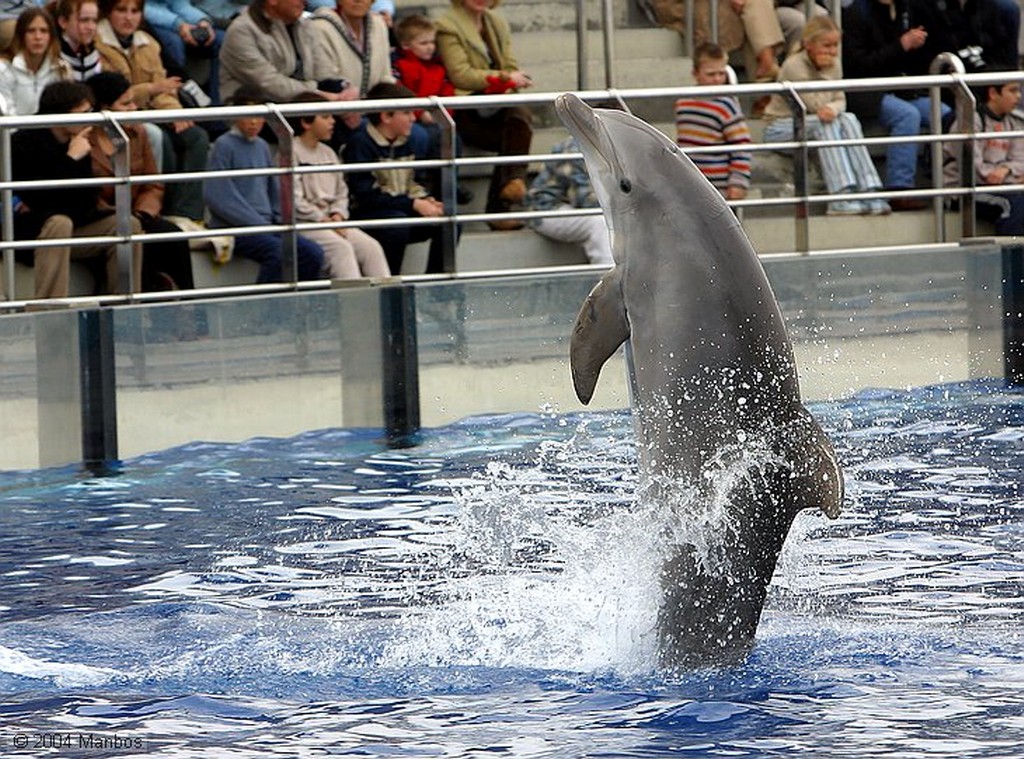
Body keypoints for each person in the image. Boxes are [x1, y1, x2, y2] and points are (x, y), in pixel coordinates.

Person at [11, 80, 142, 298]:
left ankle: (126, 311)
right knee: (59, 222)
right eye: (84, 112)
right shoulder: (24, 142)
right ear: (61, 115)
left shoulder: (79, 140)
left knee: (128, 224)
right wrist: (70, 160)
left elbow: (86, 200)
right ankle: (50, 314)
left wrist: (73, 162)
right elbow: (39, 200)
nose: (90, 118)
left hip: (74, 224)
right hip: (33, 232)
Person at [762, 16, 891, 215]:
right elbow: (813, 105)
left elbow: (841, 99)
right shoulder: (794, 65)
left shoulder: (835, 63)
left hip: (814, 120)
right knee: (826, 124)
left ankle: (869, 189)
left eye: (835, 45)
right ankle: (839, 196)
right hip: (781, 126)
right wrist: (826, 79)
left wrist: (833, 108)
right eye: (826, 45)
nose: (832, 51)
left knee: (849, 119)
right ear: (808, 44)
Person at [95, 0, 209, 221]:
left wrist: (174, 113)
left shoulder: (150, 43)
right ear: (109, 13)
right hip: (121, 114)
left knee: (196, 136)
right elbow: (113, 94)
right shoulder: (98, 44)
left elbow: (165, 89)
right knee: (156, 136)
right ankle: (161, 209)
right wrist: (151, 89)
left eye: (135, 11)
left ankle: (187, 214)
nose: (129, 17)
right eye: (121, 10)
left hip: (151, 111)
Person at [87, 71, 195, 290]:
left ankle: (188, 308)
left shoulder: (138, 133)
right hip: (102, 218)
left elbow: (152, 184)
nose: (133, 109)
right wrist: (125, 219)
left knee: (172, 235)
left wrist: (142, 215)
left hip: (138, 213)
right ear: (104, 109)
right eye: (125, 104)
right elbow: (88, 194)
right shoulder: (84, 140)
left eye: (134, 103)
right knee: (136, 244)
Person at [204, 90, 325, 283]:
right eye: (248, 115)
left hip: (267, 225)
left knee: (313, 253)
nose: (254, 122)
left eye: (259, 116)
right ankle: (264, 307)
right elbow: (219, 196)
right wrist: (258, 224)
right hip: (236, 228)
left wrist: (281, 220)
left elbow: (274, 189)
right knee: (276, 252)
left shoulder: (261, 146)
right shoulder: (224, 145)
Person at [436, 0, 533, 230]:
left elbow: (510, 63)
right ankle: (504, 198)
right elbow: (460, 75)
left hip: (496, 104)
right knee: (517, 126)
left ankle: (509, 188)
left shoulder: (495, 21)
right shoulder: (447, 24)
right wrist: (503, 78)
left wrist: (510, 78)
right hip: (464, 107)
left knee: (518, 119)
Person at [843, 0, 948, 211]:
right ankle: (900, 189)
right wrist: (901, 45)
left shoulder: (906, 8)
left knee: (945, 113)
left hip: (901, 87)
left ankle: (948, 183)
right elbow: (858, 65)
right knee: (907, 115)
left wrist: (916, 46)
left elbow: (911, 59)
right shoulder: (856, 13)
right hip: (865, 90)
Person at [342, 82, 446, 274]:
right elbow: (366, 198)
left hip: (401, 207)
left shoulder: (413, 140)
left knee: (448, 219)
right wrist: (412, 204)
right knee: (396, 225)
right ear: (386, 116)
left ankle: (437, 284)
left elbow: (416, 181)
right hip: (368, 213)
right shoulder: (360, 143)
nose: (413, 119)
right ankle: (391, 284)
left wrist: (425, 200)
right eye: (406, 113)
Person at [288, 92, 391, 279]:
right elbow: (293, 200)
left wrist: (338, 214)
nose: (332, 122)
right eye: (325, 117)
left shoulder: (328, 153)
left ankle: (387, 301)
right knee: (340, 249)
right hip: (306, 223)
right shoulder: (290, 152)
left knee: (371, 248)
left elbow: (341, 190)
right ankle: (352, 304)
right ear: (306, 122)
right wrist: (322, 219)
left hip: (334, 220)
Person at [392, 13, 472, 204]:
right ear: (406, 45)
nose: (430, 47)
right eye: (423, 43)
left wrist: (442, 114)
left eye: (432, 42)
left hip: (437, 118)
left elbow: (447, 92)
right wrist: (420, 113)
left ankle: (449, 184)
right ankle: (423, 184)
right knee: (426, 138)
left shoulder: (438, 67)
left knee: (452, 138)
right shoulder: (401, 65)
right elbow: (402, 92)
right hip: (412, 119)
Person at [218, 0, 348, 105]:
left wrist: (343, 89)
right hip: (258, 111)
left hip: (307, 105)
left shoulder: (306, 25)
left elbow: (323, 69)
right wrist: (316, 92)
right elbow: (268, 83)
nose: (304, 2)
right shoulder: (242, 31)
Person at [944, 77, 1024, 235]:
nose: (1019, 96)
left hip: (1001, 186)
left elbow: (1020, 160)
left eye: (1019, 90)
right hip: (961, 189)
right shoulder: (970, 121)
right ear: (993, 93)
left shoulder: (1015, 122)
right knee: (1012, 205)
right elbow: (975, 170)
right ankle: (1009, 257)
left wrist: (1006, 170)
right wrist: (1012, 177)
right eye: (1012, 91)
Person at [675, 42, 753, 201]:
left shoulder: (727, 106)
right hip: (691, 182)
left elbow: (742, 146)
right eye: (711, 74)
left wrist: (738, 182)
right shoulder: (683, 103)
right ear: (695, 73)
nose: (717, 79)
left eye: (721, 73)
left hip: (720, 187)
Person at [640, 0, 784, 83]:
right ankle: (766, 72)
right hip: (681, 5)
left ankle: (766, 68)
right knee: (751, 14)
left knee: (757, 11)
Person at [525, 133, 613, 266]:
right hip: (547, 209)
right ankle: (612, 281)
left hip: (574, 205)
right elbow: (587, 202)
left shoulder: (615, 145)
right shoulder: (578, 148)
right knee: (600, 223)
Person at [142, 0, 223, 104]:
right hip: (148, 20)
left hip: (175, 18)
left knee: (221, 39)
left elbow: (180, 5)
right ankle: (179, 104)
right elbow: (141, 7)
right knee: (174, 43)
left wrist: (202, 20)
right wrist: (178, 24)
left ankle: (217, 109)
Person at [0, 7, 72, 116]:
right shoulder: (4, 70)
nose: (38, 37)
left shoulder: (61, 69)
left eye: (44, 31)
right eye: (31, 31)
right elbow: (7, 117)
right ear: (21, 35)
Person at [56, 0, 102, 81]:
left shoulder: (97, 54)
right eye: (84, 20)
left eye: (94, 21)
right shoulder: (52, 58)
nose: (91, 27)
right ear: (63, 22)